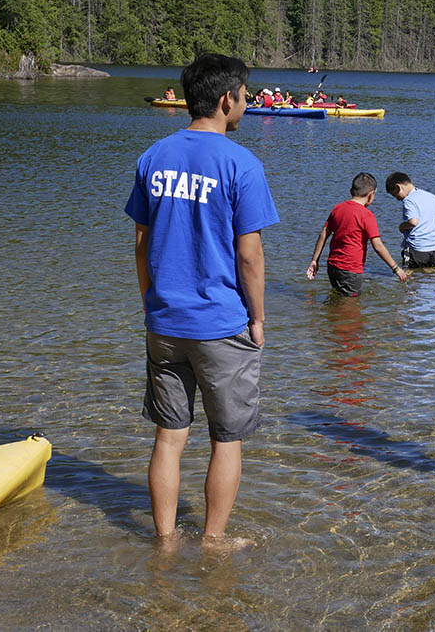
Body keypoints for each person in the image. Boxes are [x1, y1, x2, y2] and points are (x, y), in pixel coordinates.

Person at [124, 54, 279, 545]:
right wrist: (258, 318)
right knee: (226, 439)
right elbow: (249, 256)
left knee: (169, 438)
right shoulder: (242, 164)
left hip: (164, 321)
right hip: (219, 322)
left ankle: (165, 541)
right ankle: (213, 542)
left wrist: (151, 300)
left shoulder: (154, 156)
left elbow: (142, 243)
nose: (248, 103)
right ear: (225, 98)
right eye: (246, 95)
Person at [306, 173, 409, 296]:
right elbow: (378, 246)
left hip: (332, 267)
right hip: (351, 270)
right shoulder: (367, 215)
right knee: (351, 308)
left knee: (338, 298)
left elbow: (324, 234)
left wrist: (314, 260)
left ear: (351, 191)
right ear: (371, 195)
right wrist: (395, 268)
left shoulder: (337, 208)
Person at [385, 172, 435, 268]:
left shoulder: (408, 200)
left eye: (395, 195)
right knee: (433, 277)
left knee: (409, 277)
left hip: (417, 249)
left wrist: (402, 227)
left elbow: (413, 221)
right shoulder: (428, 195)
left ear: (398, 187)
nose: (397, 199)